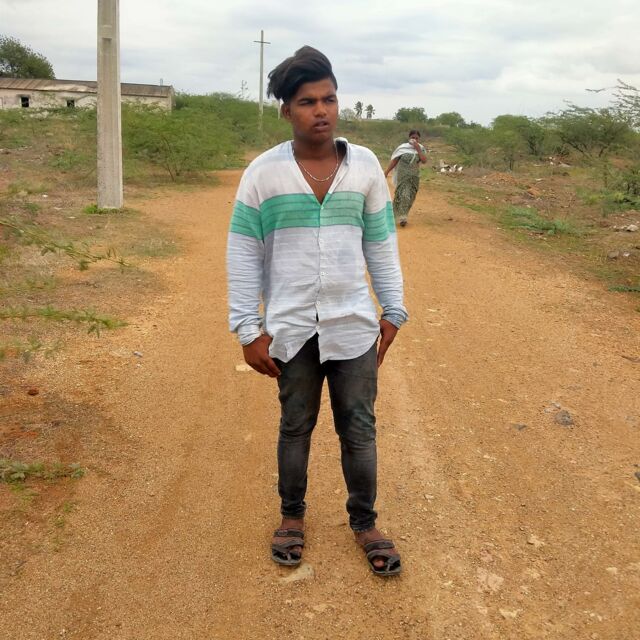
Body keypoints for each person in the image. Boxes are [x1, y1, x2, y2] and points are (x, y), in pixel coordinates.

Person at [226, 46, 408, 576]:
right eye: (307, 102)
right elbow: (243, 253)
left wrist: (393, 310)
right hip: (292, 328)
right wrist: (248, 329)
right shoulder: (263, 174)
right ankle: (292, 517)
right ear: (287, 110)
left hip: (353, 325)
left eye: (329, 99)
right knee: (295, 426)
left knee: (360, 429)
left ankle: (365, 522)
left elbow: (381, 243)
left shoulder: (366, 166)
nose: (321, 110)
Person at [384, 130, 428, 227]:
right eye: (413, 137)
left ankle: (401, 214)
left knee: (411, 196)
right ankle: (402, 217)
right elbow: (394, 161)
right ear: (409, 138)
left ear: (419, 139)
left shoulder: (421, 148)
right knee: (403, 195)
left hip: (414, 177)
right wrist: (386, 172)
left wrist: (418, 149)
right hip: (403, 176)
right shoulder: (402, 148)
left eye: (416, 138)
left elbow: (424, 161)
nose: (414, 139)